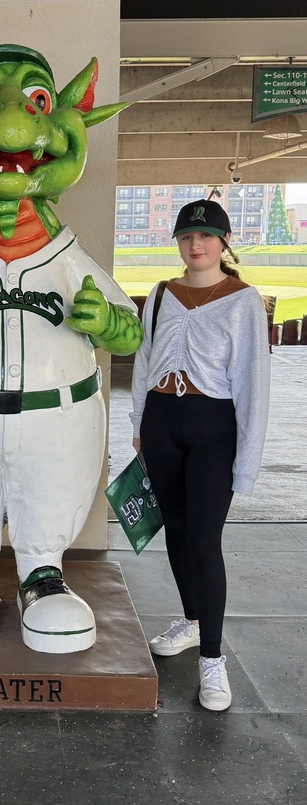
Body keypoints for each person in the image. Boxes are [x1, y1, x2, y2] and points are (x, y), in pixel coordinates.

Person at [130, 198, 270, 711]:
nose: (197, 245)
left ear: (223, 242)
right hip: (163, 424)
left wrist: (247, 460)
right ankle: (191, 623)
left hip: (213, 429)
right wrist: (140, 426)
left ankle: (213, 658)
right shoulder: (162, 294)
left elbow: (254, 384)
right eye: (188, 236)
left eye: (207, 237)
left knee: (205, 541)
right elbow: (145, 361)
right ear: (178, 241)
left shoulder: (242, 300)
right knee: (177, 531)